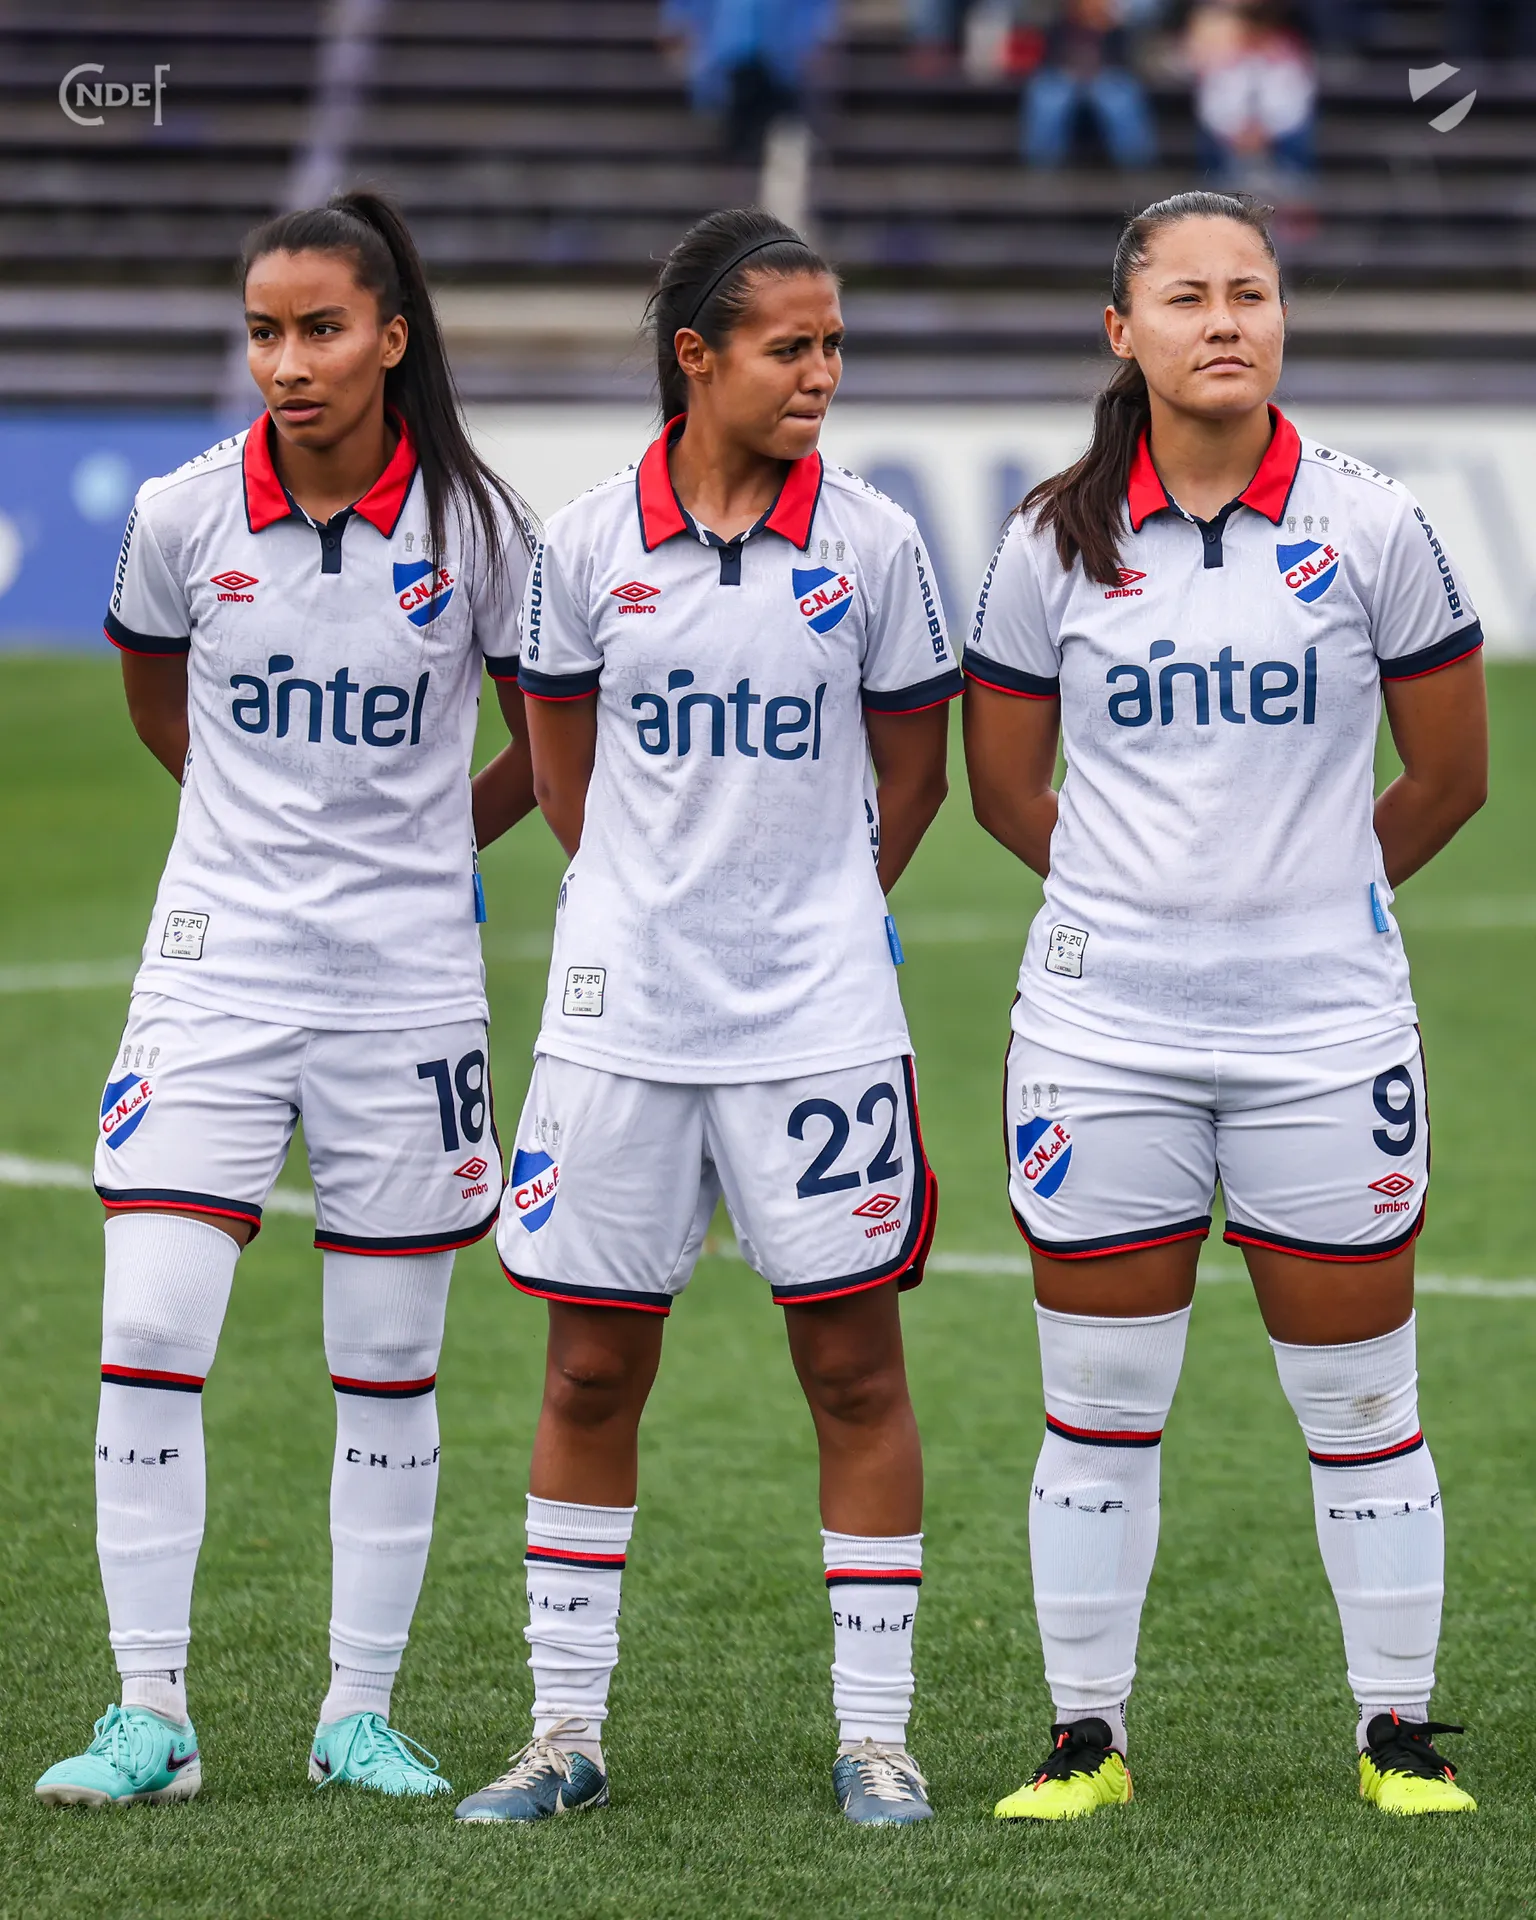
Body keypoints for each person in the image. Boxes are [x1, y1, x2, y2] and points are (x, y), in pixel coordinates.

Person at [963, 190, 1486, 1821]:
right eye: (1186, 297)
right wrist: (1139, 912)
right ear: (1122, 331)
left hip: (1325, 1033)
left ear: (1282, 318)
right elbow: (1005, 789)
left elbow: (1450, 775)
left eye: (1249, 292)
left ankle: (1398, 1734)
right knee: (1098, 1409)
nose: (1224, 322)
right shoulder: (1047, 539)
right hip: (1100, 1036)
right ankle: (1084, 1738)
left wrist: (1313, 903)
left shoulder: (1372, 522)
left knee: (1363, 1402)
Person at [451, 208, 961, 1828]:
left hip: (821, 1022)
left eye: (833, 346)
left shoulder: (876, 544)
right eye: (788, 347)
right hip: (622, 1022)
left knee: (854, 1372)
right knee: (589, 1374)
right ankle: (562, 1735)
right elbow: (560, 773)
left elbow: (916, 773)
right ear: (697, 357)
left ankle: (876, 1737)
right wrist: (652, 909)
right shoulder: (584, 545)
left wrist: (807, 911)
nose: (821, 374)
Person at [35, 191, 538, 1809]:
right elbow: (155, 698)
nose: (288, 361)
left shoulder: (479, 529)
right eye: (264, 331)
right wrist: (256, 840)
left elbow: (549, 744)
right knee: (146, 1328)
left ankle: (356, 1714)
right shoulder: (185, 512)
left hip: (407, 986)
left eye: (320, 329)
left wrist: (427, 843)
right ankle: (151, 1715)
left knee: (388, 1361)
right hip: (219, 965)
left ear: (391, 336)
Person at [1021, 0, 1158, 172]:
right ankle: (1040, 167)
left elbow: (1123, 64)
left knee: (1120, 99)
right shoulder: (1061, 26)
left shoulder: (1115, 30)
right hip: (1065, 79)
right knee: (1048, 98)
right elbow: (1049, 61)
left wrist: (1105, 32)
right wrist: (1072, 71)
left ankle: (1138, 165)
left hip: (1104, 79)